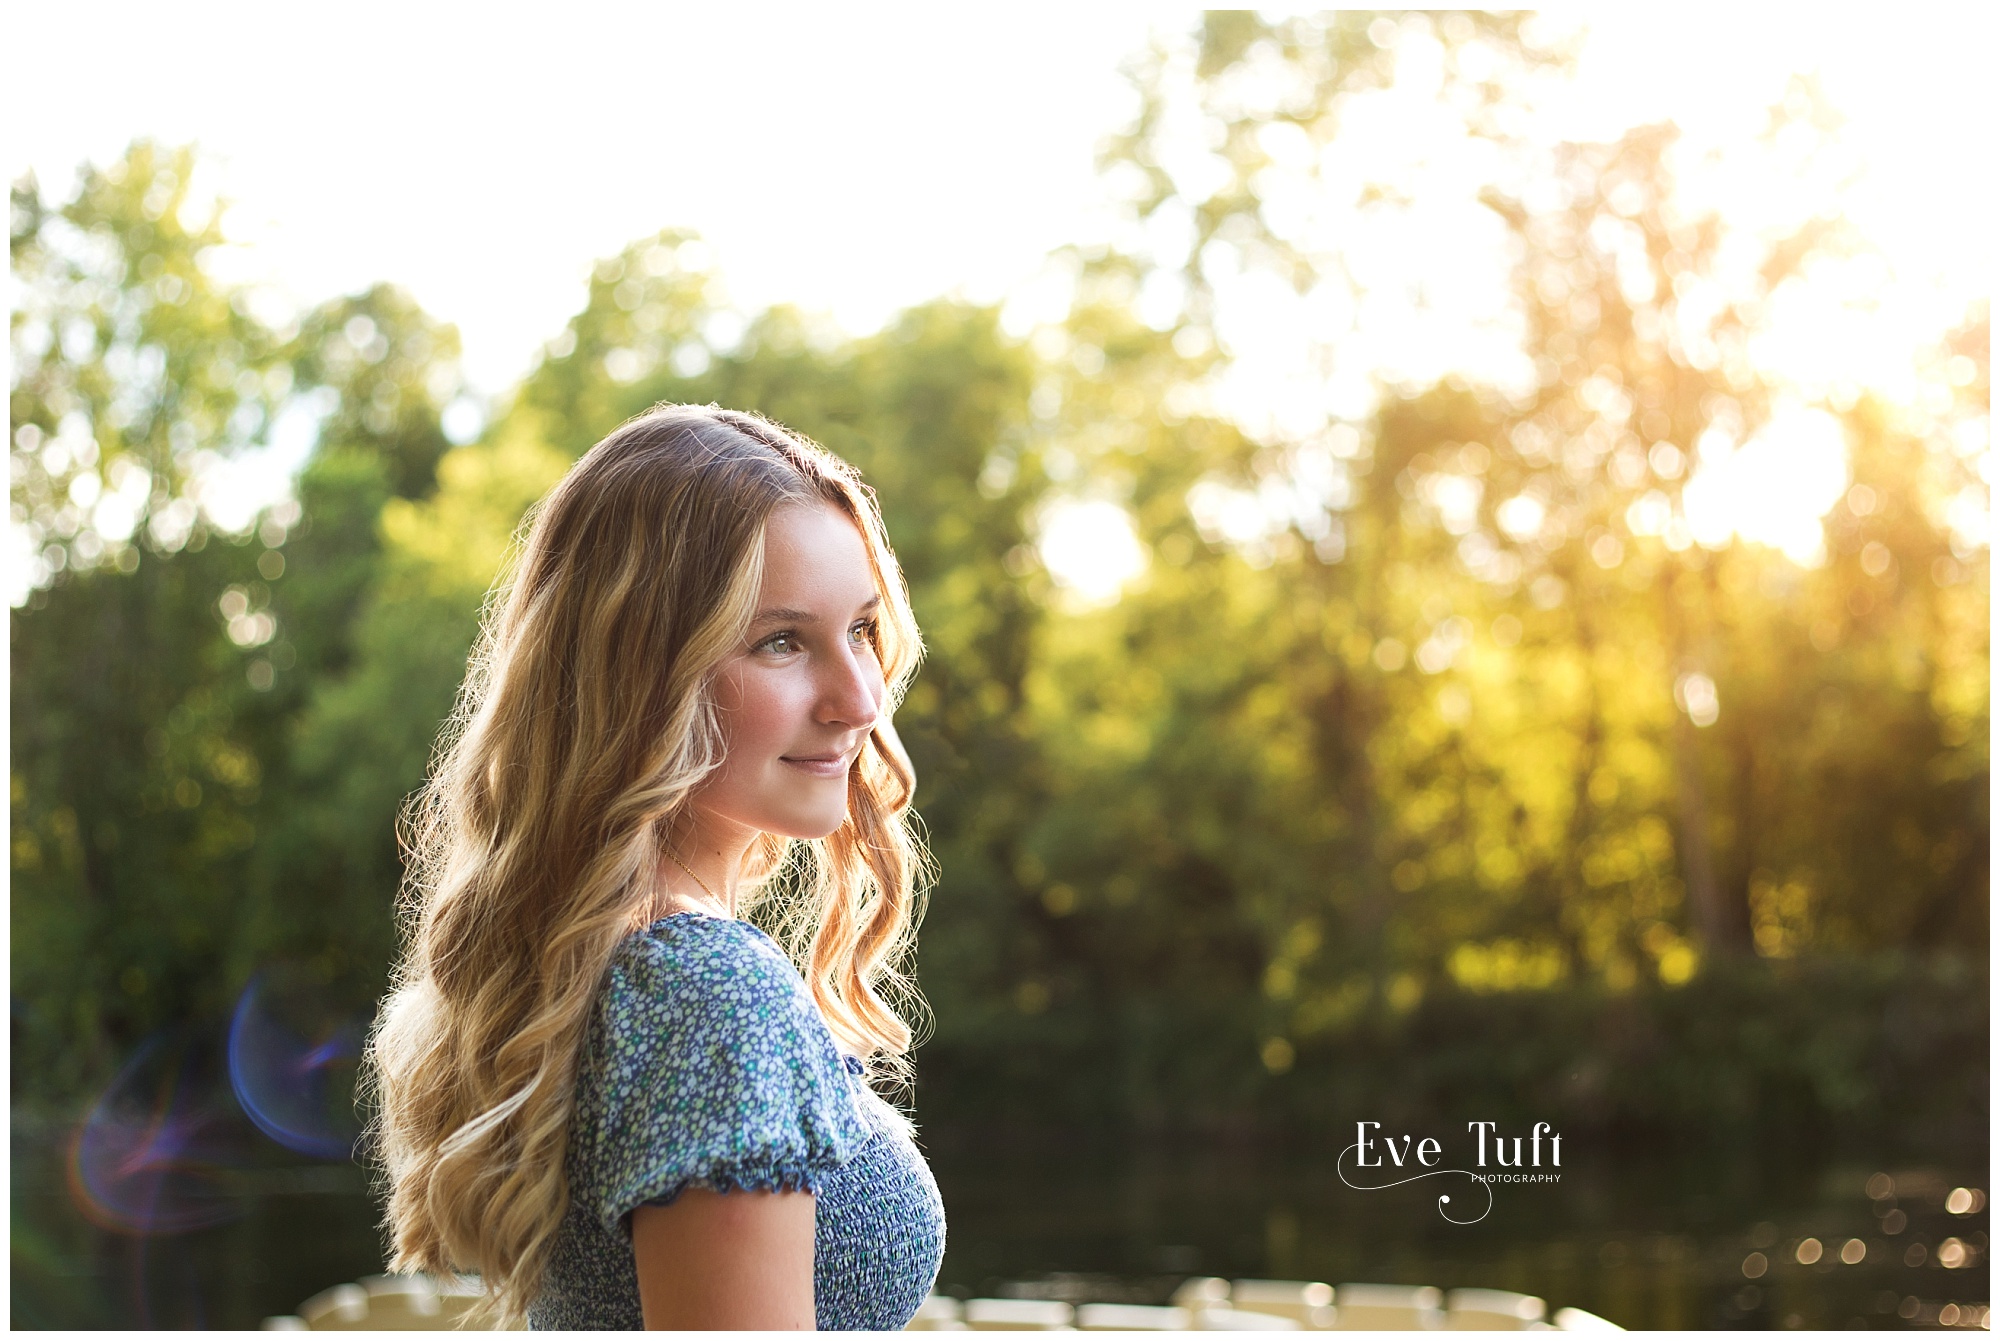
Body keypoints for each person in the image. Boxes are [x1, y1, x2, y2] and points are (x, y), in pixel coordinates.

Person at [364, 404, 944, 1329]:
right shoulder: (707, 989)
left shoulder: (625, 961)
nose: (860, 697)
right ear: (642, 676)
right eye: (781, 641)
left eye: (865, 628)